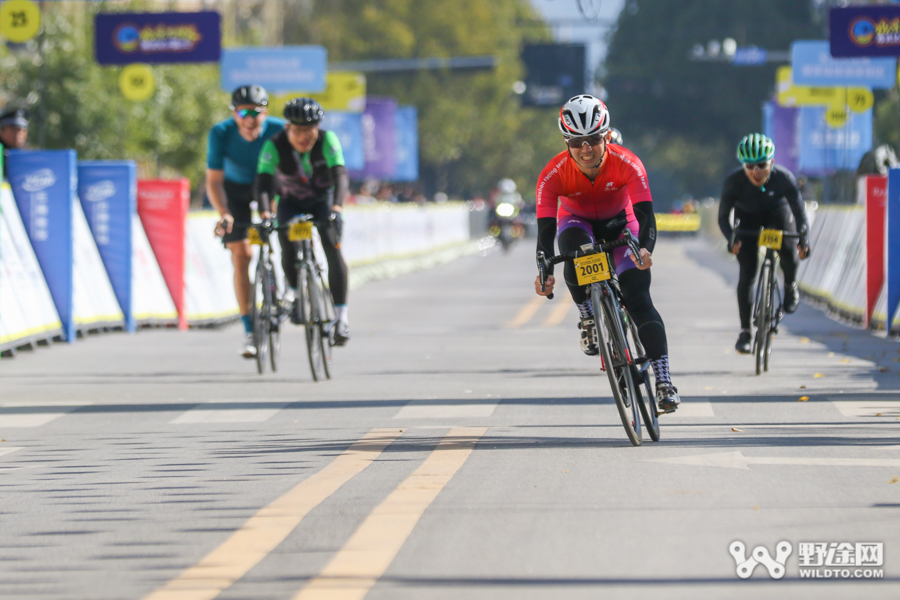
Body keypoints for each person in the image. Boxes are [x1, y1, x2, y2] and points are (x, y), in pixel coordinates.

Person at [533, 95, 680, 413]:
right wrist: (544, 271)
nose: (586, 149)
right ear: (566, 141)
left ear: (607, 136)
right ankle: (588, 317)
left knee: (639, 298)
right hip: (577, 224)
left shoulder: (628, 162)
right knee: (572, 254)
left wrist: (645, 249)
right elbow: (545, 232)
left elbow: (645, 217)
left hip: (622, 226)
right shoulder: (552, 174)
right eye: (577, 142)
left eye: (594, 140)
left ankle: (664, 380)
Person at [255, 98, 351, 346]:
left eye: (309, 130)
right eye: (297, 130)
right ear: (287, 128)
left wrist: (337, 209)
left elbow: (339, 175)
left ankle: (341, 317)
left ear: (317, 128)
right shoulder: (274, 146)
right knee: (288, 242)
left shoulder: (327, 140)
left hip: (322, 200)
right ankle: (297, 294)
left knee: (332, 245)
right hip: (291, 201)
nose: (303, 136)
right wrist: (266, 214)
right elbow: (263, 184)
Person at [206, 85, 285, 358]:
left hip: (269, 184)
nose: (250, 119)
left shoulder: (279, 129)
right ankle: (250, 329)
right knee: (242, 255)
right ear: (234, 114)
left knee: (285, 230)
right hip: (235, 189)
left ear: (266, 112)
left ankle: (289, 289)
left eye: (256, 112)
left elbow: (287, 175)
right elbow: (214, 181)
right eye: (243, 113)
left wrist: (273, 213)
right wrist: (224, 214)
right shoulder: (220, 133)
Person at [718, 133, 811, 354]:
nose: (756, 172)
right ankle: (745, 332)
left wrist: (803, 239)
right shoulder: (734, 181)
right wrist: (731, 238)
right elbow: (723, 217)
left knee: (788, 251)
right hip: (747, 220)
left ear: (772, 162)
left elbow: (800, 213)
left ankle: (790, 285)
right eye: (749, 166)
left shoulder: (784, 178)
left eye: (761, 165)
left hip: (777, 216)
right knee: (747, 273)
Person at [0, 108, 29, 177]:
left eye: (23, 129)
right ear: (2, 130)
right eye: (14, 129)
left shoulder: (27, 155)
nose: (19, 133)